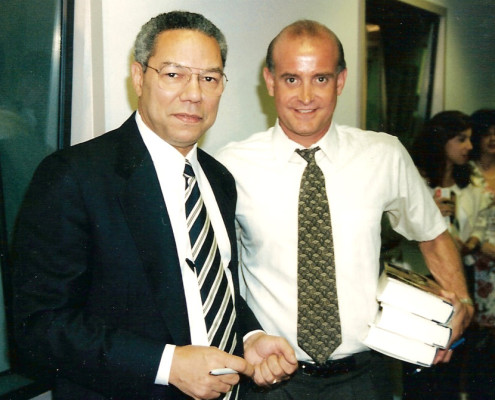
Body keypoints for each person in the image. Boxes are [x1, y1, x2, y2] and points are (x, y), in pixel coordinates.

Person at [12, 11, 297, 400]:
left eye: (209, 78)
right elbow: (39, 326)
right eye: (174, 74)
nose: (194, 93)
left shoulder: (218, 179)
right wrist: (167, 365)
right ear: (139, 77)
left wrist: (250, 335)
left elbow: (212, 288)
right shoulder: (74, 176)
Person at [215, 19, 474, 399]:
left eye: (320, 78)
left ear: (340, 81)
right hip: (272, 382)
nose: (306, 95)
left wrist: (461, 302)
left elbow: (431, 233)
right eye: (291, 79)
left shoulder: (383, 155)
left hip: (367, 378)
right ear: (269, 81)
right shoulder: (229, 167)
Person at [401, 111, 489, 400]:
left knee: (455, 358)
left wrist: (469, 242)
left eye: (470, 140)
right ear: (441, 140)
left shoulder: (471, 187)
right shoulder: (416, 183)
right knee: (420, 363)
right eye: (461, 139)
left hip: (462, 279)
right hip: (424, 281)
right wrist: (429, 218)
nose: (468, 147)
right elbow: (398, 233)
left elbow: (478, 225)